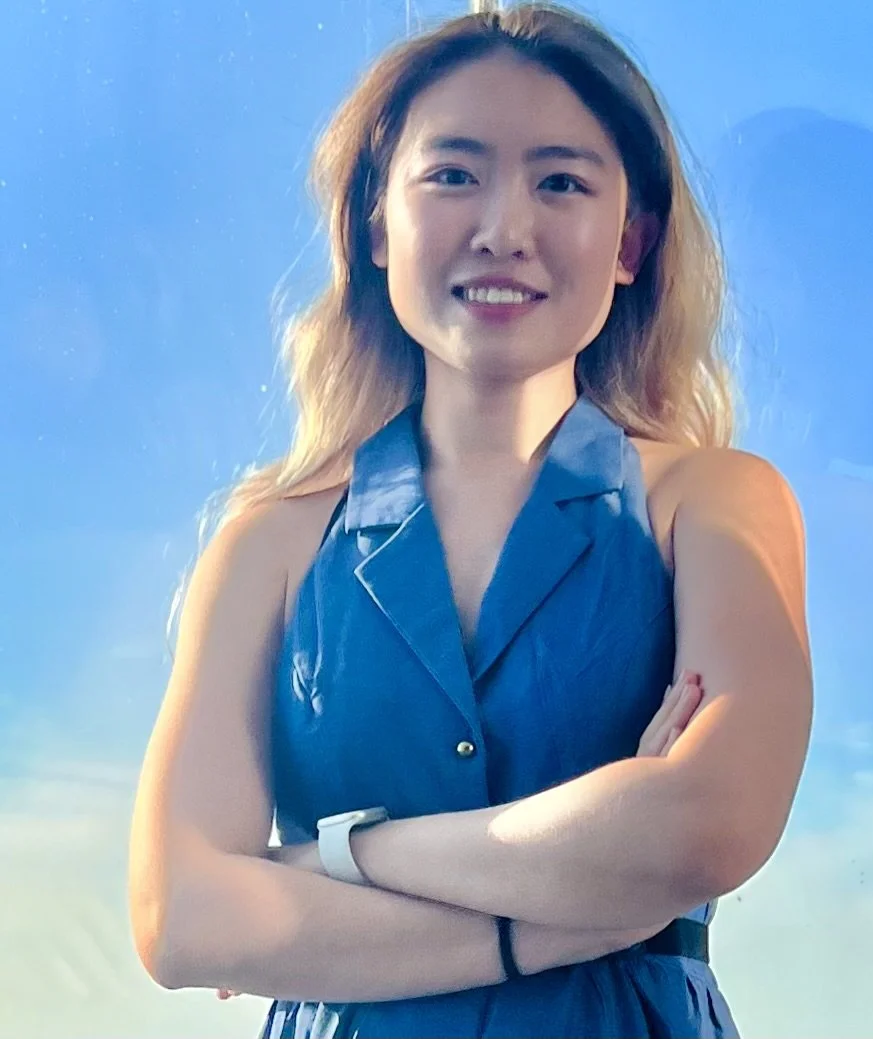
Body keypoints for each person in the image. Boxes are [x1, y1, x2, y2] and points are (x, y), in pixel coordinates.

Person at [128, 3, 813, 1037]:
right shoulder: (266, 540)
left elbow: (710, 823)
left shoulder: (711, 500)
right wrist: (574, 911)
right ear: (373, 222)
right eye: (453, 174)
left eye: (561, 182)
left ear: (631, 241)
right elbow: (182, 915)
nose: (505, 229)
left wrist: (337, 859)